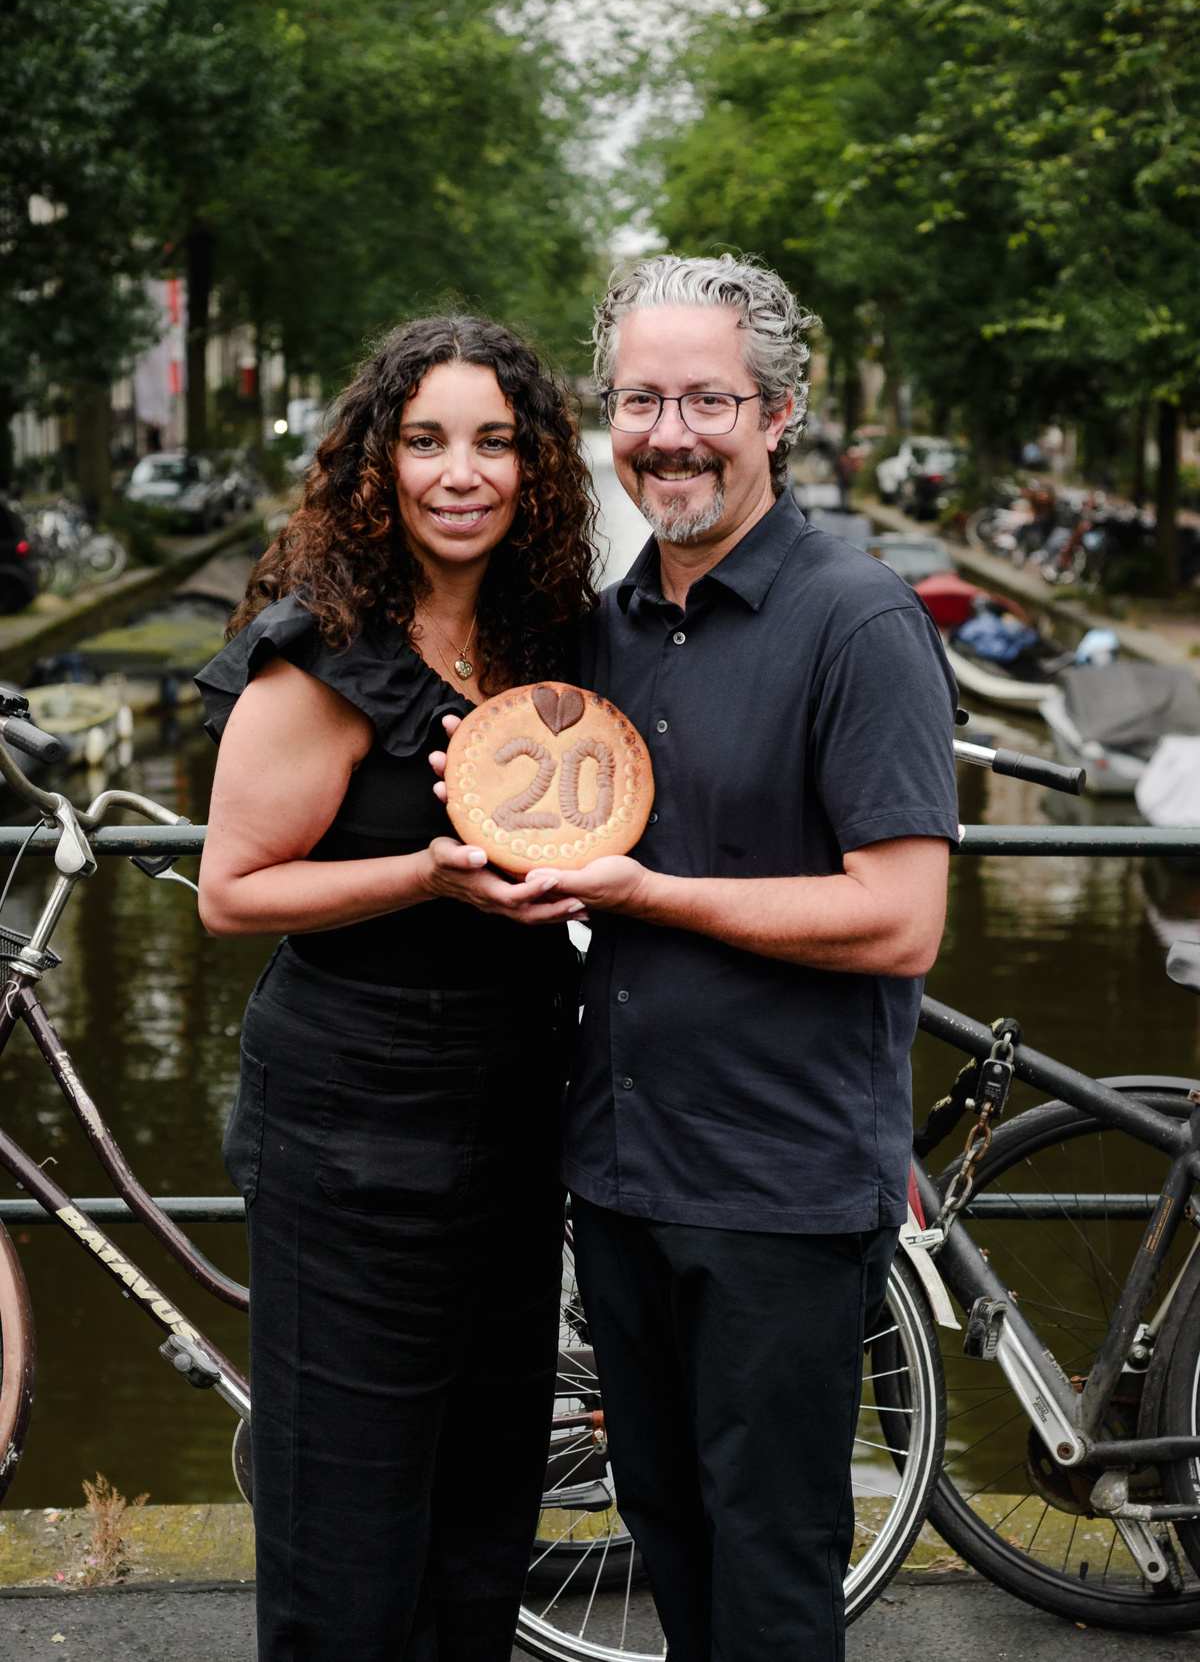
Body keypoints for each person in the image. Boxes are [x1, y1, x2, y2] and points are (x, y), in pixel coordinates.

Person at [514, 255, 961, 1661]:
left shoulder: (860, 621)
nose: (670, 431)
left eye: (709, 397)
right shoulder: (606, 626)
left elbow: (900, 915)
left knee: (769, 1572)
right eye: (640, 397)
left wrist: (651, 890)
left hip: (774, 1186)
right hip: (623, 1169)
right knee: (673, 1544)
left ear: (777, 413)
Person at [194, 316, 598, 1662]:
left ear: (538, 466)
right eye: (426, 440)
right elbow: (232, 891)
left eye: (495, 440)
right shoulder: (325, 655)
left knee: (484, 1514)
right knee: (347, 1532)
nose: (461, 470)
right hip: (352, 1127)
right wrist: (422, 873)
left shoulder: (546, 644)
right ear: (378, 464)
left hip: (512, 1110)